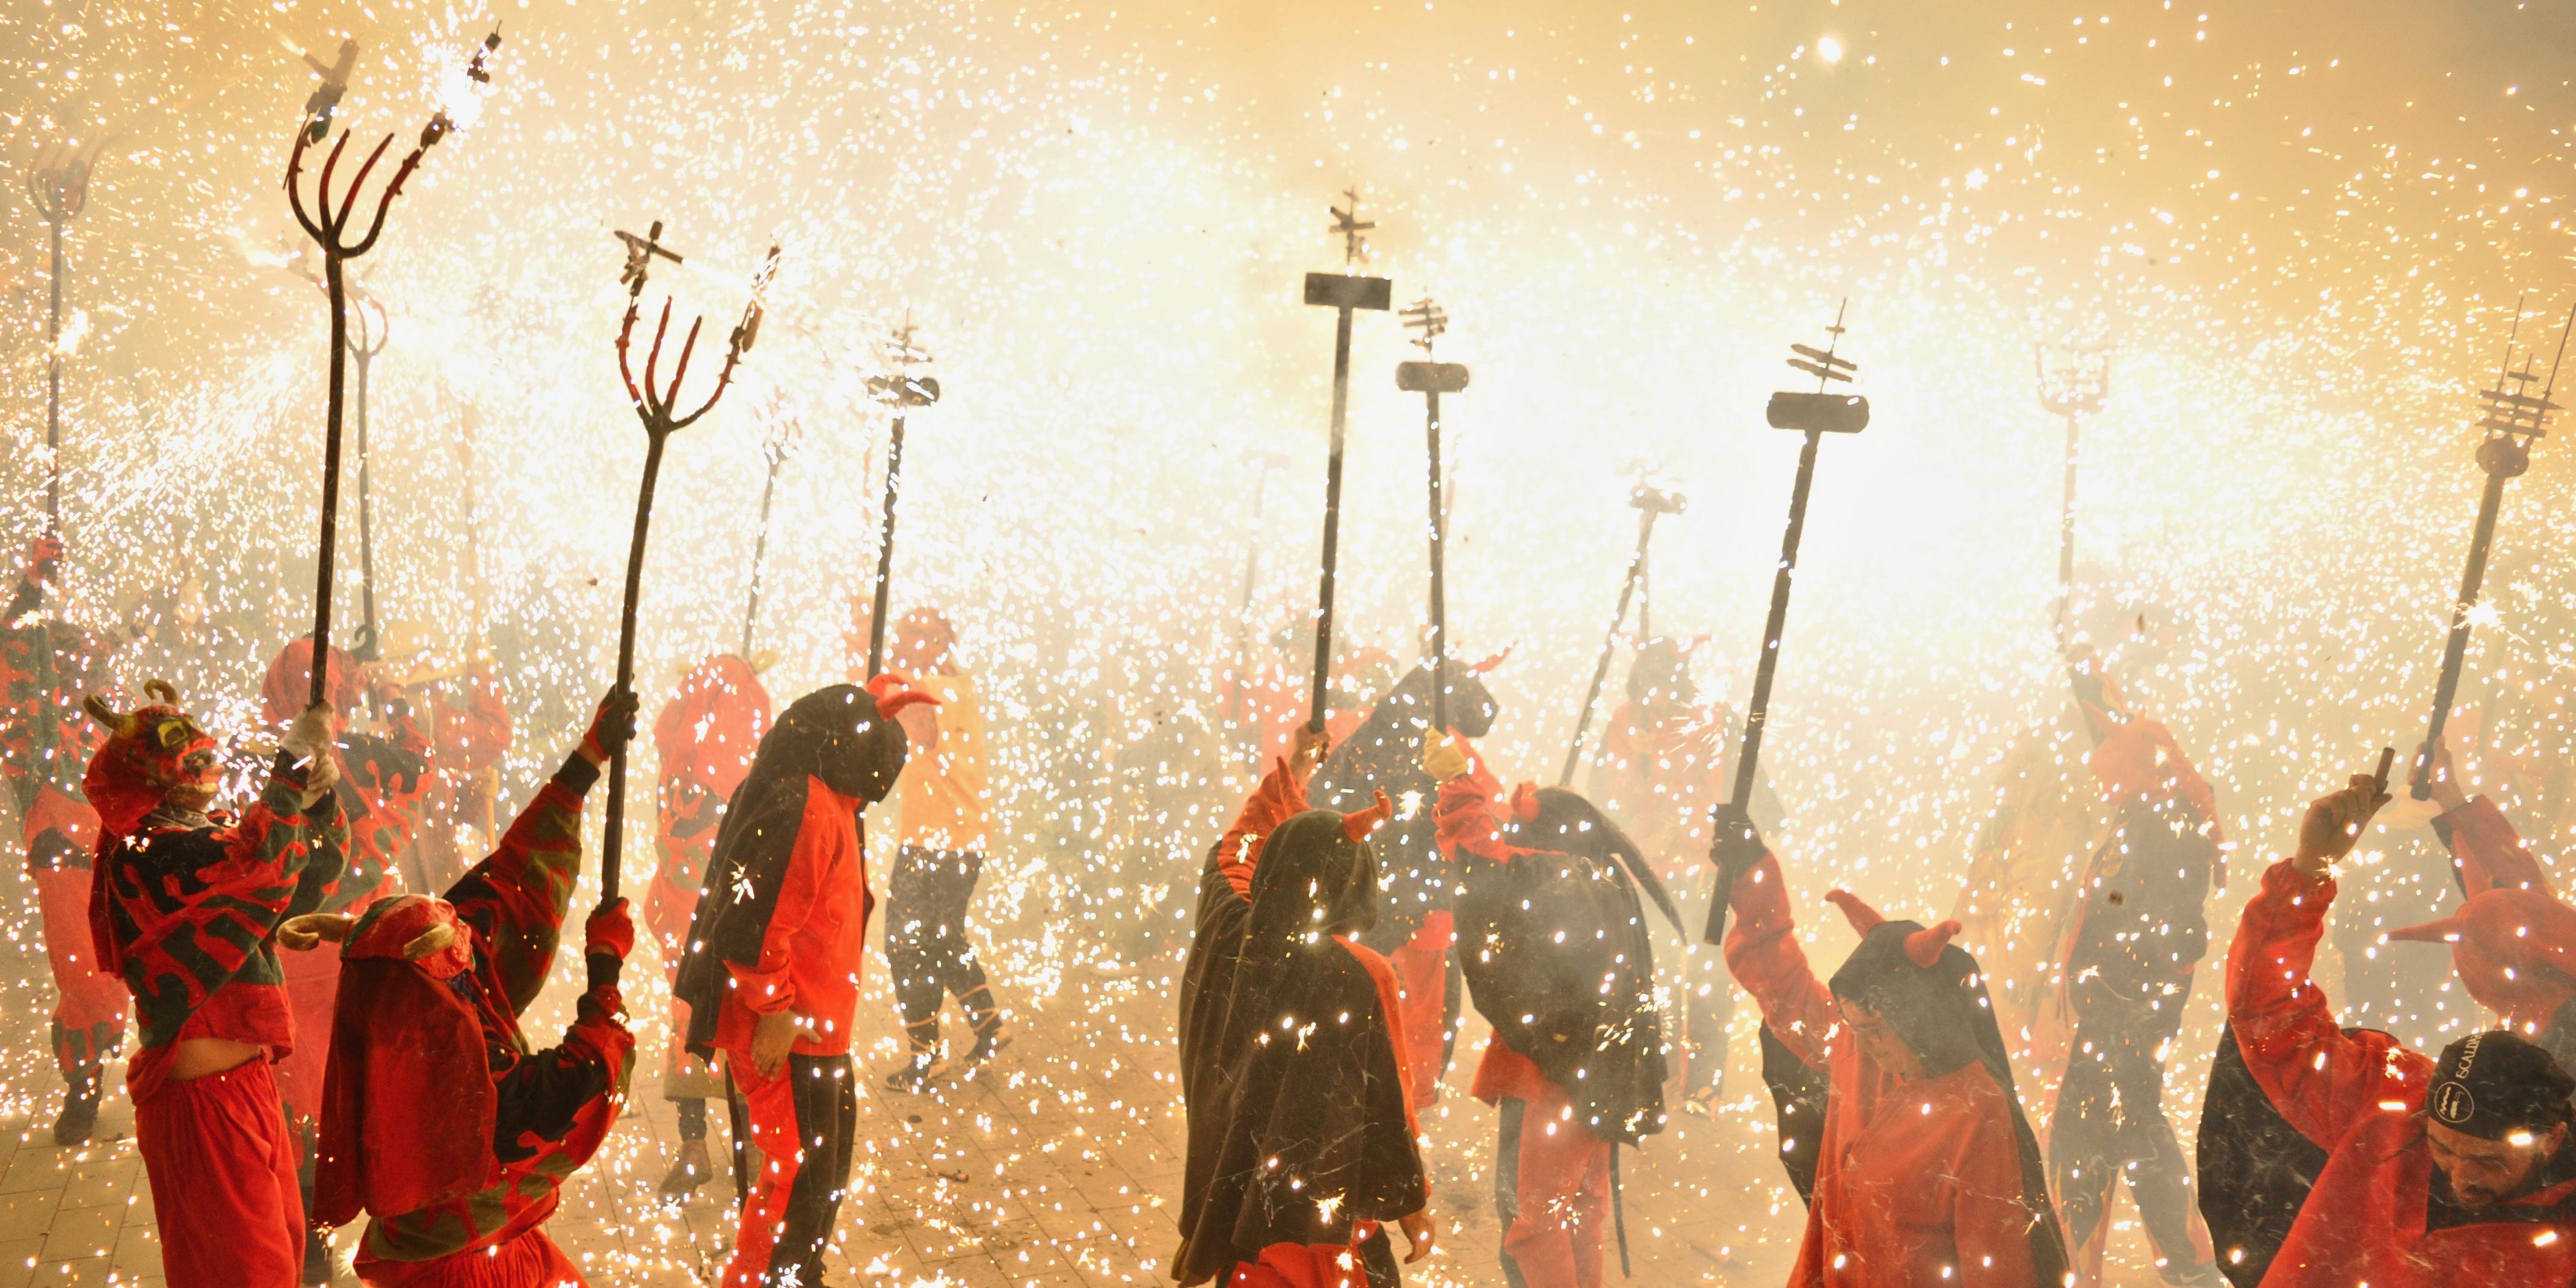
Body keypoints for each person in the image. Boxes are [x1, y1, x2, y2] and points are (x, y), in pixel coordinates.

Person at [298, 689, 639, 1286]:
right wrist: (605, 966)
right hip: (473, 1268)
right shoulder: (475, 1089)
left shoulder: (394, 1003)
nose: (473, 946)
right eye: (462, 951)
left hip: (434, 1251)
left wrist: (586, 760)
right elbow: (588, 1079)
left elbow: (506, 885)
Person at [2222, 769, 2576, 1284]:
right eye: (2443, 1147)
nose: (2461, 1177)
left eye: (2488, 1160)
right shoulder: (2391, 1111)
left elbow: (2531, 913)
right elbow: (2271, 1015)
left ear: (2552, 1139)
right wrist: (2307, 870)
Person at [1711, 807, 2071, 1286]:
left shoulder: (1975, 1115)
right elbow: (1785, 986)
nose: (1860, 1042)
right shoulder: (1857, 1048)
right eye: (1853, 1024)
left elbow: (1997, 1270)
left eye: (1876, 1028)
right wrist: (1751, 874)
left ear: (1919, 1018)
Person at [674, 676, 938, 1288]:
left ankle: (797, 1273)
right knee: (793, 1182)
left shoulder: (830, 795)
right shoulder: (806, 803)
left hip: (820, 1030)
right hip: (789, 1034)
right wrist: (775, 1008)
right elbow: (758, 921)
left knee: (818, 1183)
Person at [85, 683, 347, 1287]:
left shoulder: (206, 838)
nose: (212, 769)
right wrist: (287, 778)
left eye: (209, 757)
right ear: (154, 779)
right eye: (194, 762)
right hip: (204, 1109)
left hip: (250, 1086)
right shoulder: (143, 853)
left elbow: (299, 887)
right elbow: (261, 872)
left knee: (278, 1262)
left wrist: (316, 800)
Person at [1171, 727, 1435, 1287]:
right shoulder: (1360, 974)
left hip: (1243, 1214)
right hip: (1327, 1230)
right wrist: (1411, 1202)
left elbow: (1237, 847)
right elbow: (1385, 1098)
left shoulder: (1230, 928)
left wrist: (1291, 776)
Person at [1430, 734, 1677, 1288]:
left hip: (1555, 1081)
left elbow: (1488, 862)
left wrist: (1460, 786)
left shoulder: (1562, 882)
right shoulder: (1598, 880)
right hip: (1593, 1078)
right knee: (1581, 1212)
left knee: (1533, 1224)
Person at [260, 636, 434, 1283]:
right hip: (361, 949)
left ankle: (309, 1242)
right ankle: (388, 1217)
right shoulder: (366, 754)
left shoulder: (260, 761)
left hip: (289, 951)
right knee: (367, 1088)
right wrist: (396, 700)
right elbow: (421, 764)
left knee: (300, 1100)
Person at [2047, 705, 2227, 1286]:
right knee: (2123, 1127)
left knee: (2109, 1129)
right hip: (2116, 1007)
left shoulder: (2167, 823)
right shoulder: (2144, 810)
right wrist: (2076, 659)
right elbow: (2109, 721)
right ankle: (2183, 1264)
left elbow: (2181, 927)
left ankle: (2085, 1265)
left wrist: (2127, 987)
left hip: (2129, 1011)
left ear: (2134, 768)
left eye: (2106, 771)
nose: (2098, 783)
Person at [1310, 657, 1503, 1108]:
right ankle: (1401, 1107)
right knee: (1417, 1017)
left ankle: (1363, 1097)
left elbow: (1322, 798)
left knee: (1371, 1008)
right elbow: (1479, 821)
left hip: (1362, 902)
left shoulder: (1373, 734)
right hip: (1416, 908)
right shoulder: (1441, 749)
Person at [1590, 636, 1763, 1115]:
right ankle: (1658, 1068)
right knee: (1653, 973)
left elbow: (1722, 794)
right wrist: (1638, 768)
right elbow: (1611, 795)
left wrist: (1688, 828)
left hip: (1705, 871)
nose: (1659, 697)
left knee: (1709, 977)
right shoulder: (1626, 721)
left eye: (1667, 686)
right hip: (1647, 873)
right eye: (1650, 687)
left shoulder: (1707, 719)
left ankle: (1706, 1082)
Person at [0, 533, 133, 1143]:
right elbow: (11, 648)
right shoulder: (31, 723)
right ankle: (82, 1087)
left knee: (118, 972)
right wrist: (33, 588)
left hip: (115, 853)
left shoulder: (103, 704)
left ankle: (113, 1068)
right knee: (82, 979)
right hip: (62, 861)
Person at [645, 652, 773, 1201]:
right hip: (729, 919)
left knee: (693, 1017)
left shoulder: (681, 757)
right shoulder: (742, 764)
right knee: (739, 1021)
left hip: (684, 917)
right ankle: (755, 1163)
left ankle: (694, 1147)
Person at [878, 608, 1008, 1090]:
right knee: (942, 935)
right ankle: (988, 1025)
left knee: (907, 944)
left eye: (914, 638)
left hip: (935, 842)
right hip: (958, 838)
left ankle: (925, 1056)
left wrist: (884, 676)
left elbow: (919, 728)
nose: (902, 646)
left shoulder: (936, 689)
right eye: (900, 637)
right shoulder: (955, 685)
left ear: (939, 643)